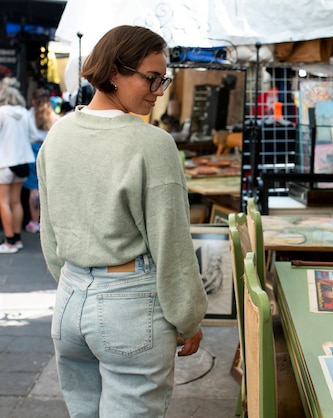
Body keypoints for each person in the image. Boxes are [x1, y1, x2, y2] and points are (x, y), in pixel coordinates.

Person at [36, 25, 208, 417]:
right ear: (115, 71)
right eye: (151, 78)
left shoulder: (58, 135)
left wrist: (75, 281)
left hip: (69, 301)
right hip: (129, 306)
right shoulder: (152, 144)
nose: (158, 90)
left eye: (162, 80)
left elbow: (51, 233)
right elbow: (172, 243)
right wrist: (188, 316)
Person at [0, 81, 38, 253]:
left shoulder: (1, 113)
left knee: (4, 202)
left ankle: (9, 241)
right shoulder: (24, 113)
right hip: (23, 161)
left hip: (5, 162)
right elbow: (33, 136)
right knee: (16, 202)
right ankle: (17, 237)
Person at [23, 87, 60, 233]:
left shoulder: (28, 115)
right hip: (48, 151)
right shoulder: (55, 117)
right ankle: (46, 223)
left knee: (34, 188)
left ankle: (34, 222)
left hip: (32, 152)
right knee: (47, 187)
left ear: (33, 100)